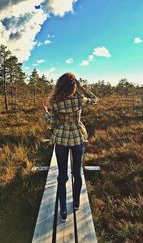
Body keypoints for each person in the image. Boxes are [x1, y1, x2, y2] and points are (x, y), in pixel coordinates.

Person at [42, 72, 97, 222]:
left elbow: (52, 123)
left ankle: (63, 210)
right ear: (74, 86)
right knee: (77, 172)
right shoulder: (80, 99)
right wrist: (82, 88)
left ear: (59, 86)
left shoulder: (54, 102)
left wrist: (45, 113)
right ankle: (77, 203)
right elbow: (95, 99)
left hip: (61, 139)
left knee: (62, 175)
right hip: (78, 138)